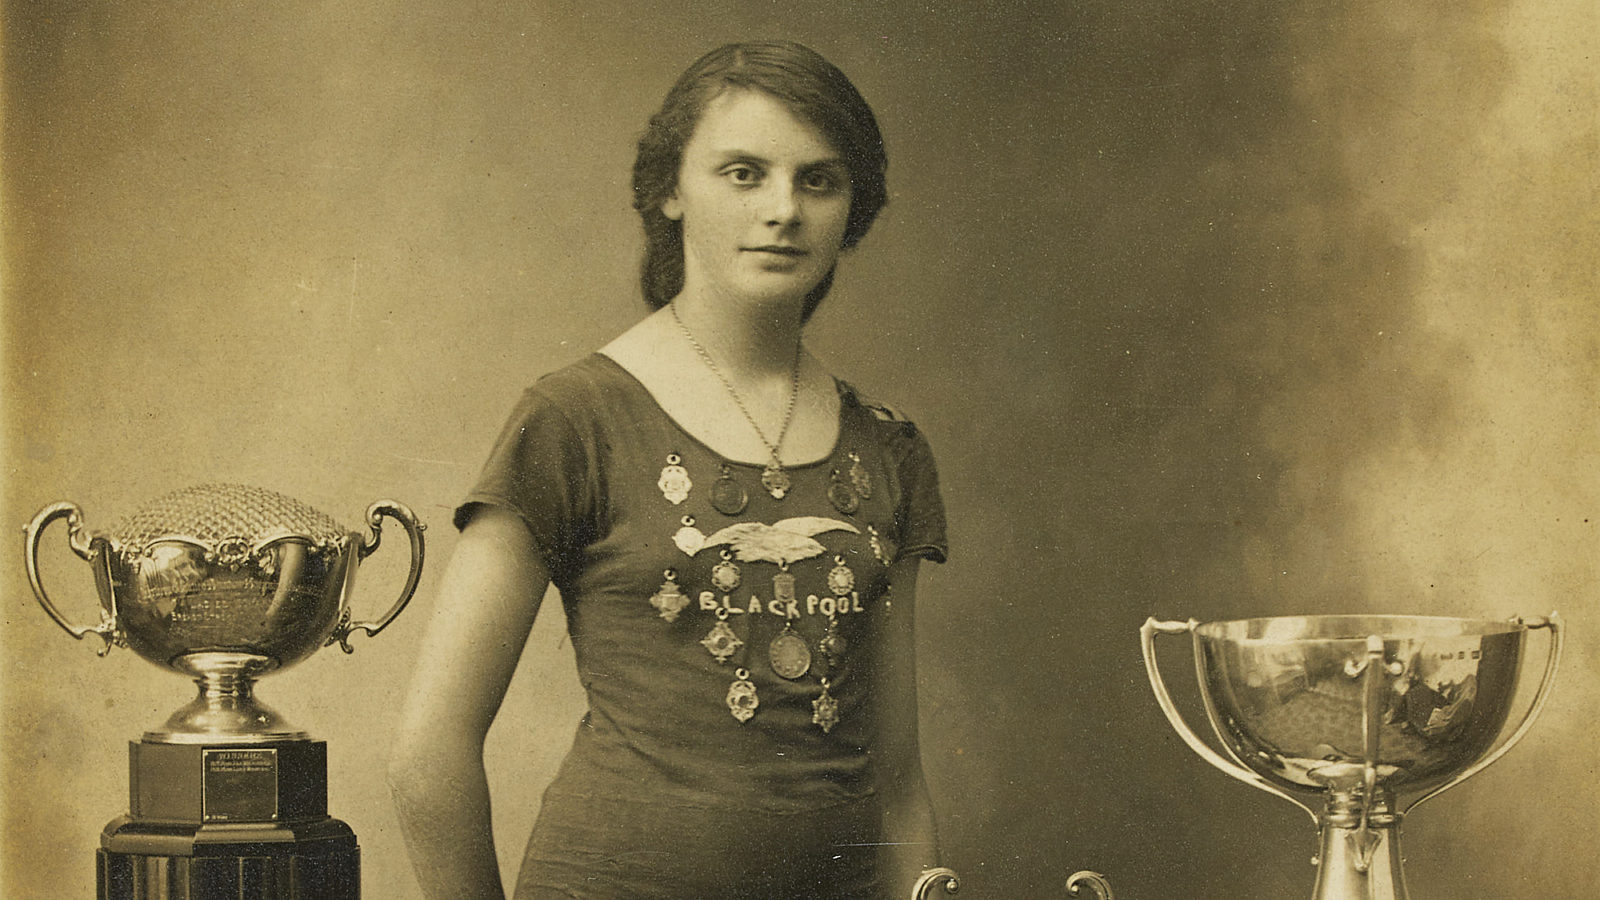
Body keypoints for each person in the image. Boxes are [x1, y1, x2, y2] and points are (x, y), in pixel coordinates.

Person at [388, 40, 947, 900]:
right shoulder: (575, 419)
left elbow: (900, 779)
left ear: (852, 210)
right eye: (743, 173)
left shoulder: (889, 449)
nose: (783, 210)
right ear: (670, 191)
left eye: (819, 180)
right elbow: (429, 753)